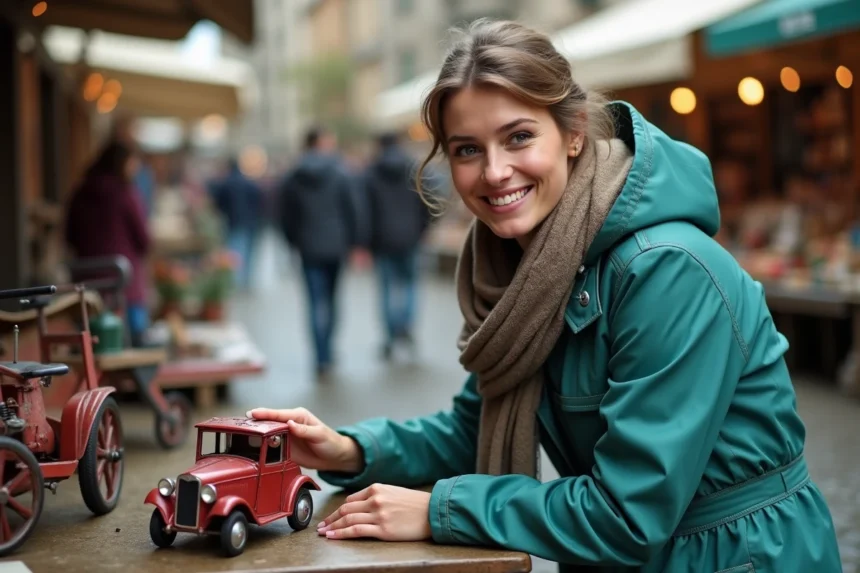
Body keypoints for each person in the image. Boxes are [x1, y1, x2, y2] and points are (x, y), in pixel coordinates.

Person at [249, 19, 841, 572]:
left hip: (733, 556)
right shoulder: (535, 263)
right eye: (467, 149)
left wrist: (438, 509)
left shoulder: (665, 270)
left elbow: (629, 515)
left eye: (519, 137)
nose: (495, 171)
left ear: (574, 133)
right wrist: (348, 449)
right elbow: (477, 424)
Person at [276, 126, 366, 378]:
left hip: (308, 247)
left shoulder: (293, 176)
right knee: (332, 300)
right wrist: (355, 241)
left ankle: (320, 356)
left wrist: (293, 241)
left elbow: (285, 215)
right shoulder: (340, 173)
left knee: (315, 302)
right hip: (336, 246)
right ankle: (329, 349)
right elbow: (353, 209)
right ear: (322, 143)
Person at [65, 140, 152, 346]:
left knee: (91, 344)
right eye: (132, 164)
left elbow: (69, 237)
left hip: (86, 285)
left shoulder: (80, 193)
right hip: (122, 284)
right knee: (134, 342)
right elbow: (144, 240)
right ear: (122, 164)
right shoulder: (124, 193)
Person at [363, 131, 438, 360]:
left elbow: (365, 209)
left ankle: (389, 335)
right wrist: (423, 228)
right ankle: (406, 325)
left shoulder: (371, 171)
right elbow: (430, 200)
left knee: (386, 289)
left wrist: (367, 239)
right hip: (411, 237)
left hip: (382, 239)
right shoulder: (414, 167)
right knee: (410, 285)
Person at [209, 157, 264, 291]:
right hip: (251, 222)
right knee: (247, 252)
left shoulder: (226, 183)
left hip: (233, 221)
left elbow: (218, 203)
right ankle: (246, 279)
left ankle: (237, 280)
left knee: (236, 251)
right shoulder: (249, 182)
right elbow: (258, 201)